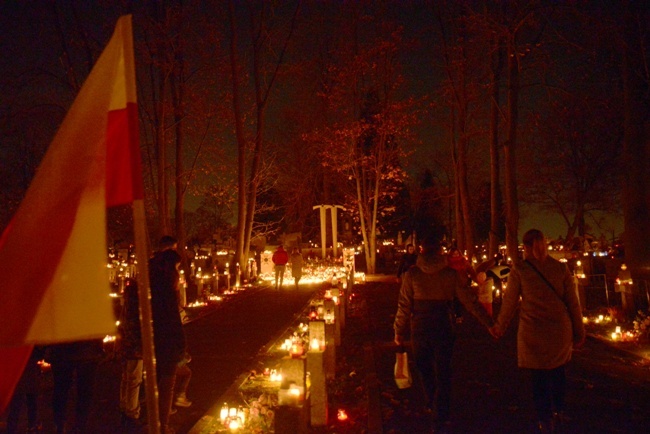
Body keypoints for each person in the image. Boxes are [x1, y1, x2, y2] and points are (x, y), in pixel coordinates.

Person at [393, 236, 494, 432]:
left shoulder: (412, 275)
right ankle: (441, 410)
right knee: (443, 369)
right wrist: (489, 323)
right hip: (443, 324)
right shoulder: (450, 274)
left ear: (421, 250)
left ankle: (433, 400)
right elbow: (469, 301)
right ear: (440, 252)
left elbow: (404, 305)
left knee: (424, 366)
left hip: (420, 325)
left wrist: (398, 330)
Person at [489, 229, 585, 433]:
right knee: (558, 371)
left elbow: (510, 303)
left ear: (527, 247)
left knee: (538, 377)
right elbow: (573, 303)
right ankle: (559, 409)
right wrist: (579, 331)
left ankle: (545, 418)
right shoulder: (560, 269)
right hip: (559, 330)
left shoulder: (520, 270)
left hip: (533, 331)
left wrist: (500, 326)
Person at [149, 235, 188, 434]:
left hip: (152, 338)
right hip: (167, 342)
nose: (178, 273)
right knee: (166, 385)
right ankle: (162, 427)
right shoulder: (167, 293)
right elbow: (173, 321)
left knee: (154, 384)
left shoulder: (152, 282)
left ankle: (153, 423)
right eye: (177, 269)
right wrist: (181, 346)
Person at [46, 339, 105, 433]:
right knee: (85, 392)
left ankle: (60, 424)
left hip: (61, 349)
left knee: (61, 389)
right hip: (88, 350)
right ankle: (79, 426)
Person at [118, 278, 144, 429]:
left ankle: (124, 406)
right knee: (134, 380)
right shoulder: (136, 304)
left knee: (126, 378)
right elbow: (136, 326)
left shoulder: (127, 303)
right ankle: (132, 412)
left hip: (126, 346)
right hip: (135, 347)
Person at [6, 346, 45, 433]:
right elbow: (40, 354)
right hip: (30, 370)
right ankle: (32, 426)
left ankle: (12, 428)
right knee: (31, 401)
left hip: (17, 372)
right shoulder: (32, 341)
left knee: (16, 405)